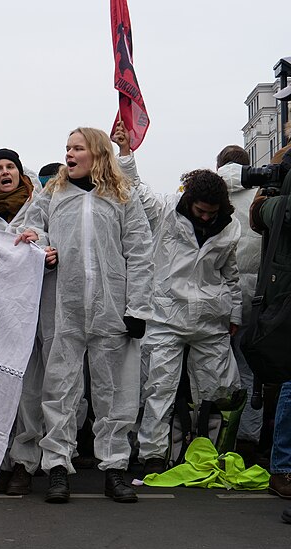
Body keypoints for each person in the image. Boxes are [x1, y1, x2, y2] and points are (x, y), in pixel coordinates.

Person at [19, 127, 152, 503]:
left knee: (115, 392)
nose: (69, 154)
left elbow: (140, 251)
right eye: (67, 148)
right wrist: (41, 249)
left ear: (97, 153)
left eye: (77, 148)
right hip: (63, 307)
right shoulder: (51, 193)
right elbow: (25, 232)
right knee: (59, 389)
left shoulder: (122, 197)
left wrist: (138, 307)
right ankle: (57, 468)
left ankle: (114, 469)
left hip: (113, 310)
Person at [114, 127, 243, 475]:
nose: (205, 217)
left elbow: (230, 275)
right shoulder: (166, 212)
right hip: (166, 314)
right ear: (190, 202)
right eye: (200, 211)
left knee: (216, 390)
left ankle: (209, 452)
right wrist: (125, 151)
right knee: (160, 387)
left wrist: (236, 314)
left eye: (211, 212)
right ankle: (153, 453)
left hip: (210, 319)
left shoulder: (229, 229)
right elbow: (137, 190)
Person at [0, 148, 45, 495]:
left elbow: (56, 246)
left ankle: (25, 461)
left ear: (20, 173)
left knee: (30, 392)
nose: (5, 173)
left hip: (31, 318)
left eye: (10, 167)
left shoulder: (40, 210)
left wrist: (43, 246)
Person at [214, 146, 263, 463]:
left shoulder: (207, 191)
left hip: (218, 292)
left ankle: (213, 437)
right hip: (258, 292)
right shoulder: (262, 194)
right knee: (250, 369)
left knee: (214, 366)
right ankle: (247, 438)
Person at [250, 152, 291, 512]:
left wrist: (267, 201)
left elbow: (262, 216)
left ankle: (282, 466)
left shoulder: (277, 203)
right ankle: (282, 466)